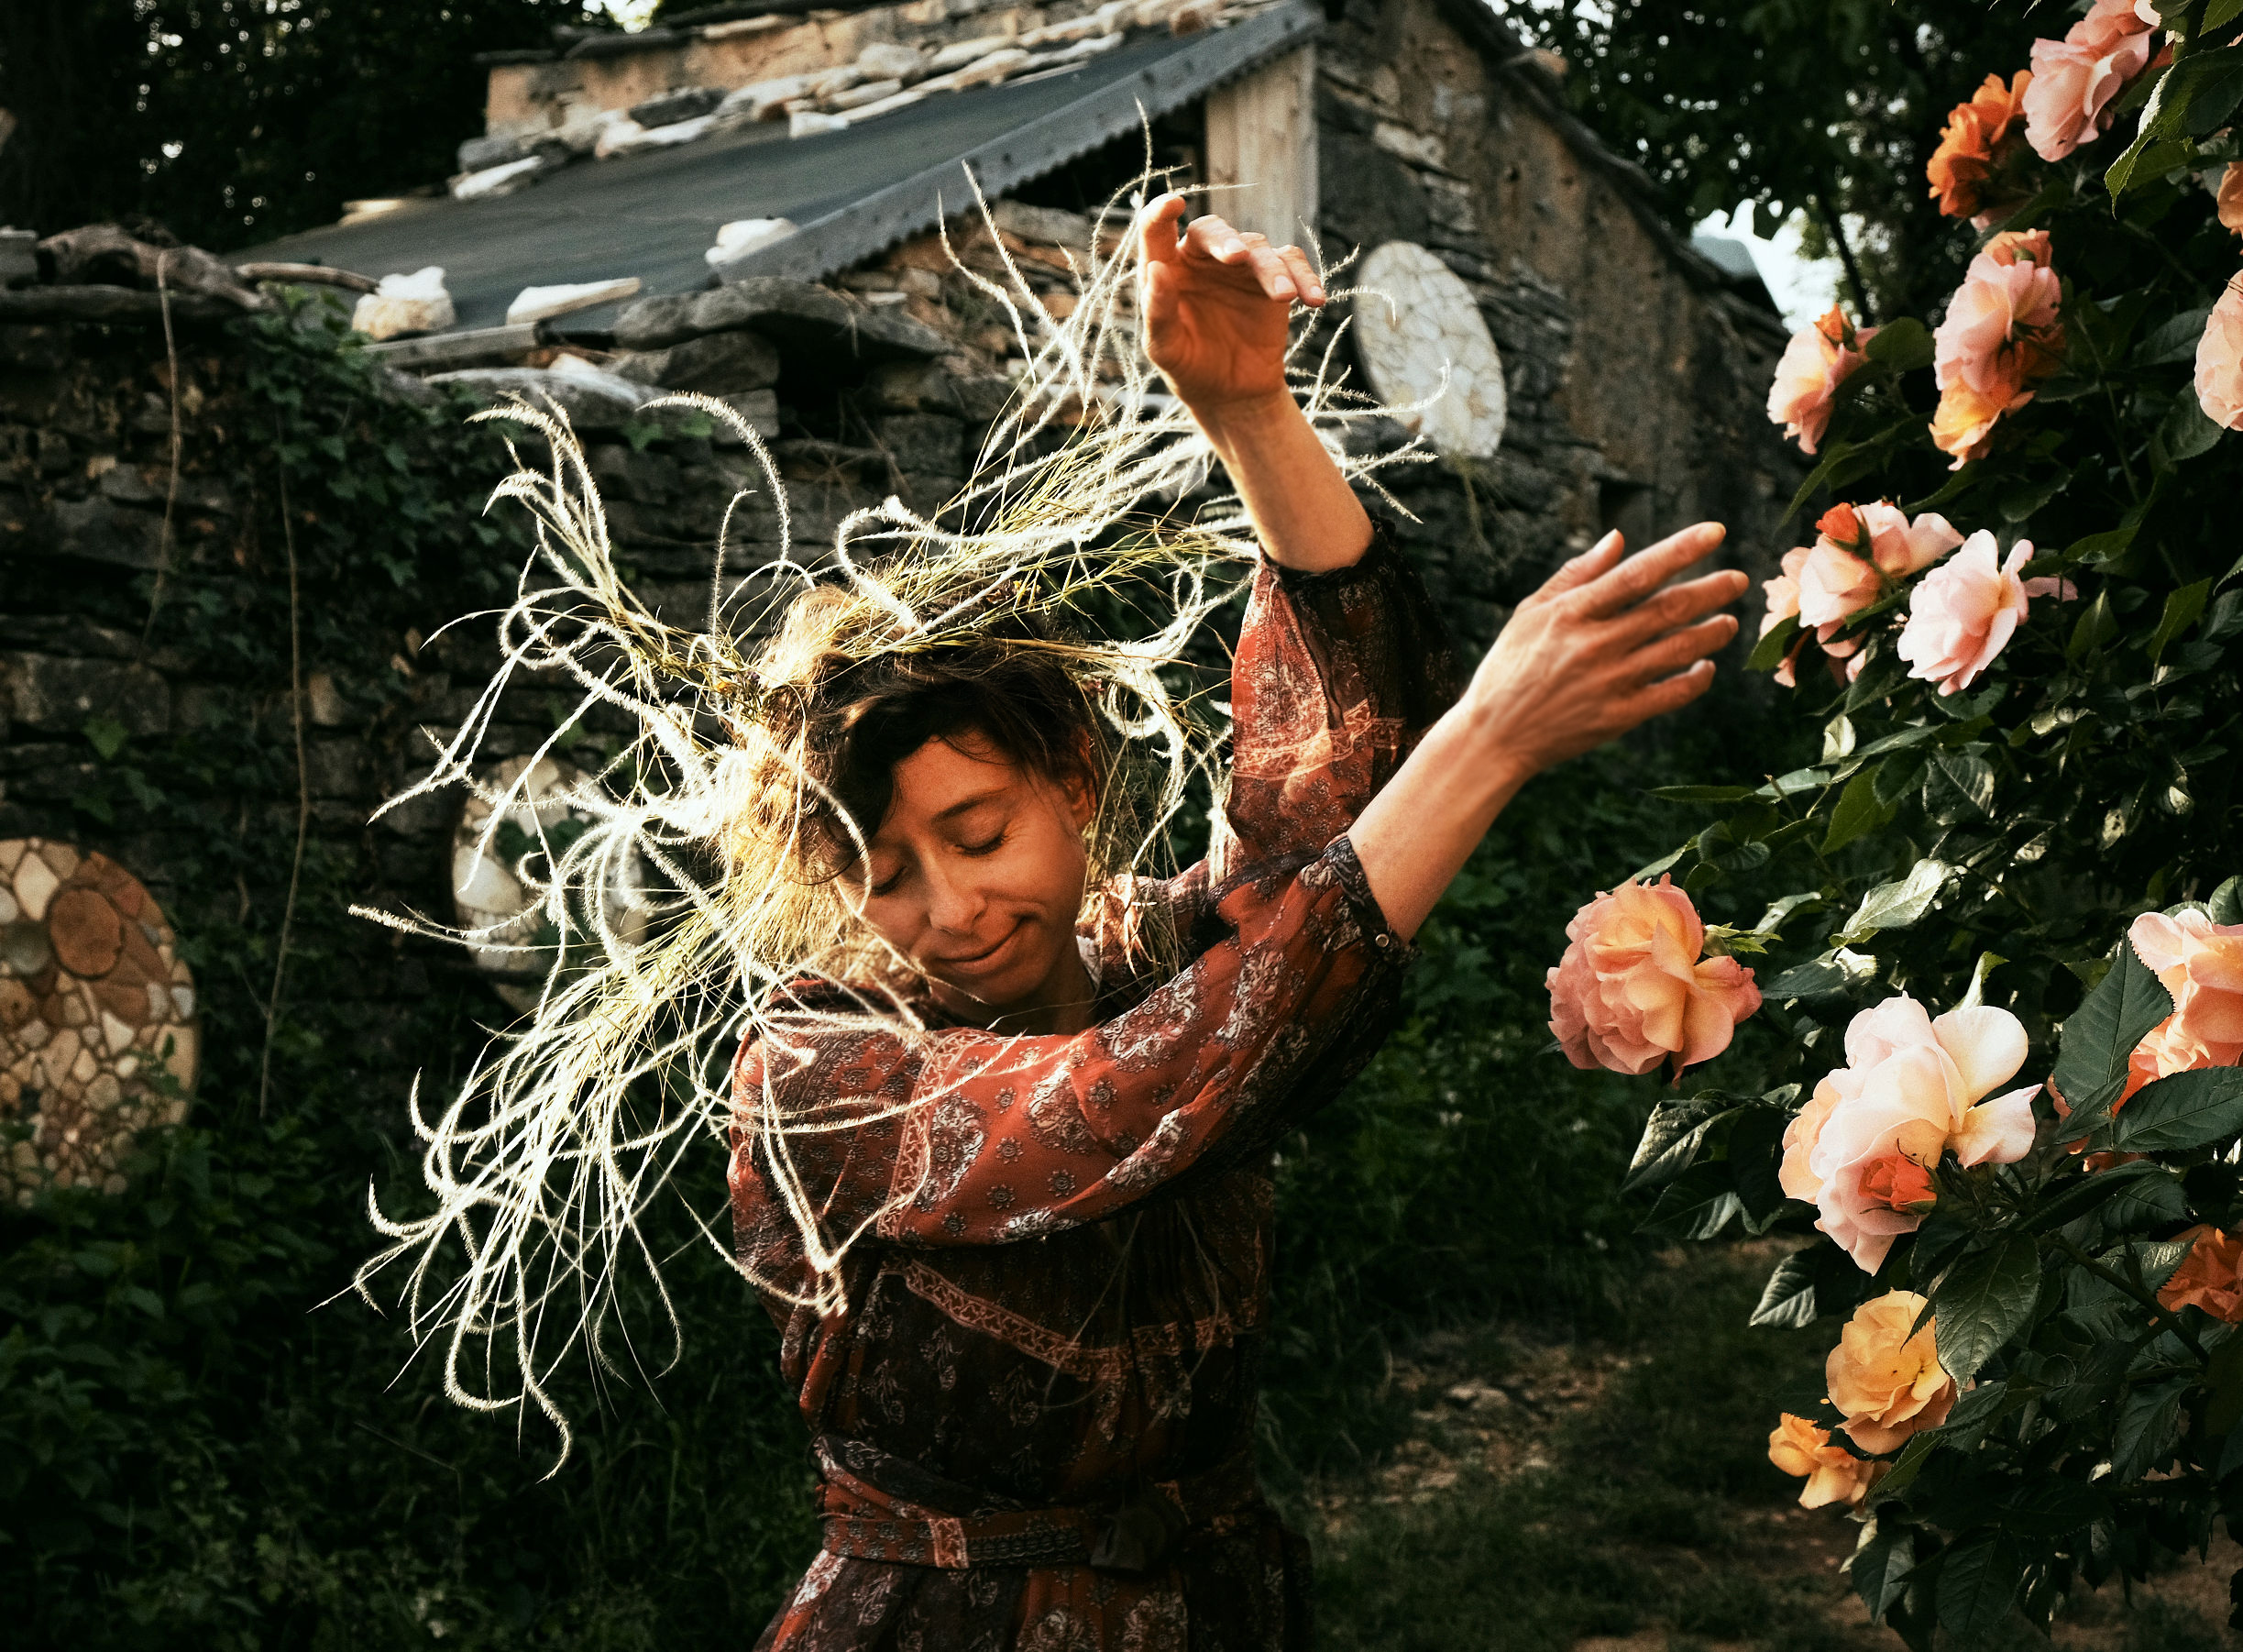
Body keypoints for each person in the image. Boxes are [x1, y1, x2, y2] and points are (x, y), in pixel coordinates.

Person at [720, 192, 1747, 1650]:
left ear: (1072, 780)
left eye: (978, 832)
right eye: (881, 873)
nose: (945, 911)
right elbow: (1145, 1085)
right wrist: (1490, 742)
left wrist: (1253, 414)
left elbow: (1319, 813)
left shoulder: (1142, 951)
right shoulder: (817, 1069)